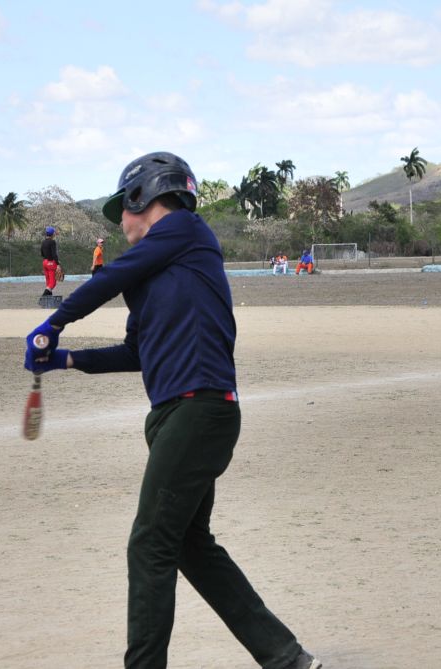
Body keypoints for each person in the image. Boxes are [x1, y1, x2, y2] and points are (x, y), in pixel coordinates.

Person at [24, 151, 322, 669]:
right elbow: (136, 353)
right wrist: (67, 361)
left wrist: (56, 322)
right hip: (173, 416)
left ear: (146, 196)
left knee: (149, 545)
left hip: (199, 410)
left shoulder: (186, 230)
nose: (120, 219)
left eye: (124, 206)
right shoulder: (153, 272)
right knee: (187, 544)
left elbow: (106, 278)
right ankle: (285, 656)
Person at [40, 226, 60, 296]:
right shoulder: (52, 242)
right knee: (53, 283)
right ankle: (44, 296)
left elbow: (42, 253)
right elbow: (54, 254)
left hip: (45, 262)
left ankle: (48, 299)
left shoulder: (43, 242)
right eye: (54, 232)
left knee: (48, 282)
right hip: (51, 263)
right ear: (52, 234)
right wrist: (57, 264)